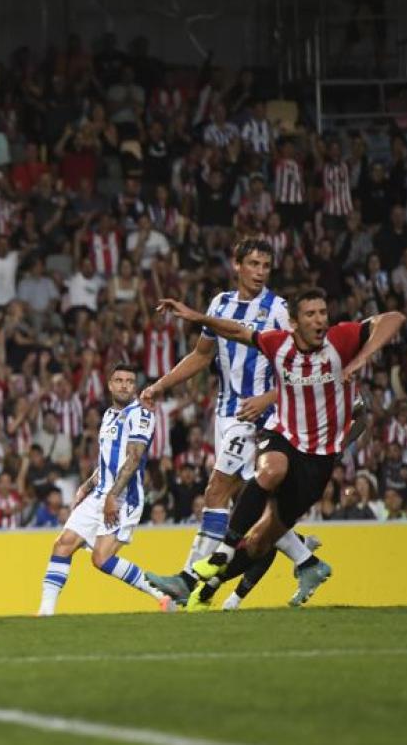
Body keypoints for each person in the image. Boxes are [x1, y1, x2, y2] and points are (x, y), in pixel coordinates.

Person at [156, 288, 404, 610]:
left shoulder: (341, 340)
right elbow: (236, 330)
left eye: (322, 312)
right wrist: (197, 317)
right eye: (310, 314)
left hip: (318, 459)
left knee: (260, 541)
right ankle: (220, 554)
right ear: (294, 323)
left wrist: (362, 357)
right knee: (270, 470)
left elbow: (393, 318)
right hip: (283, 436)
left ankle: (208, 588)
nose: (319, 320)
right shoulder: (277, 343)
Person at [140, 239, 320, 607]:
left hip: (259, 417)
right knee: (247, 506)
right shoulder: (220, 304)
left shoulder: (278, 310)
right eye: (253, 263)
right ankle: (306, 558)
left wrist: (268, 399)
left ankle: (186, 581)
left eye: (266, 265)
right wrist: (160, 386)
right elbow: (201, 356)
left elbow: (301, 365)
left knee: (216, 492)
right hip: (225, 416)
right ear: (236, 265)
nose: (259, 272)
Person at [37, 364, 177, 615]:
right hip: (100, 493)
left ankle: (164, 595)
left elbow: (133, 459)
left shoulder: (141, 414)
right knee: (63, 544)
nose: (124, 385)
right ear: (110, 385)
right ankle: (45, 614)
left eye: (130, 381)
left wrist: (112, 496)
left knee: (100, 559)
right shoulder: (109, 415)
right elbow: (107, 462)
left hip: (124, 497)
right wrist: (87, 485)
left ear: (135, 387)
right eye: (119, 380)